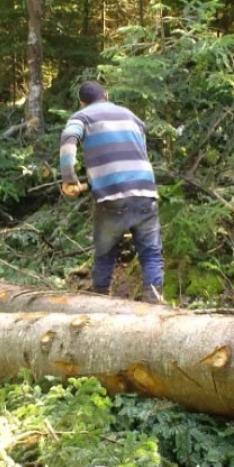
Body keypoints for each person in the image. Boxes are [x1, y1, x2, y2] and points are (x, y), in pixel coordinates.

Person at [59, 80, 166, 304]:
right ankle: (154, 306)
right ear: (106, 95)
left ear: (82, 102)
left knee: (105, 254)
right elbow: (141, 149)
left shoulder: (81, 117)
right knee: (151, 254)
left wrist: (69, 178)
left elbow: (69, 141)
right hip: (145, 191)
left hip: (111, 197)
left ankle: (100, 305)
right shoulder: (130, 116)